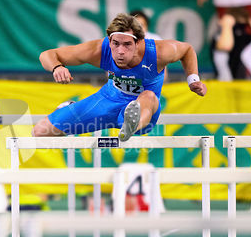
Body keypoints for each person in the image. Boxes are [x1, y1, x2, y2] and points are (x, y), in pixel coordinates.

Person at [32, 13, 207, 141]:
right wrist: (57, 67)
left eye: (127, 45)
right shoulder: (100, 49)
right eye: (115, 44)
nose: (120, 51)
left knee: (149, 96)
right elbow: (47, 55)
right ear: (109, 40)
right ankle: (71, 110)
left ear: (138, 42)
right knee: (39, 131)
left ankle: (130, 124)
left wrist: (193, 79)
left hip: (144, 108)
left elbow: (187, 50)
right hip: (107, 100)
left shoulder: (159, 52)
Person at [211, 7, 251, 80]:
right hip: (225, 82)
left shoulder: (243, 36)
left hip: (242, 80)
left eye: (243, 25)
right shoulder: (220, 36)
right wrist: (227, 26)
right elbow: (226, 46)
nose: (240, 28)